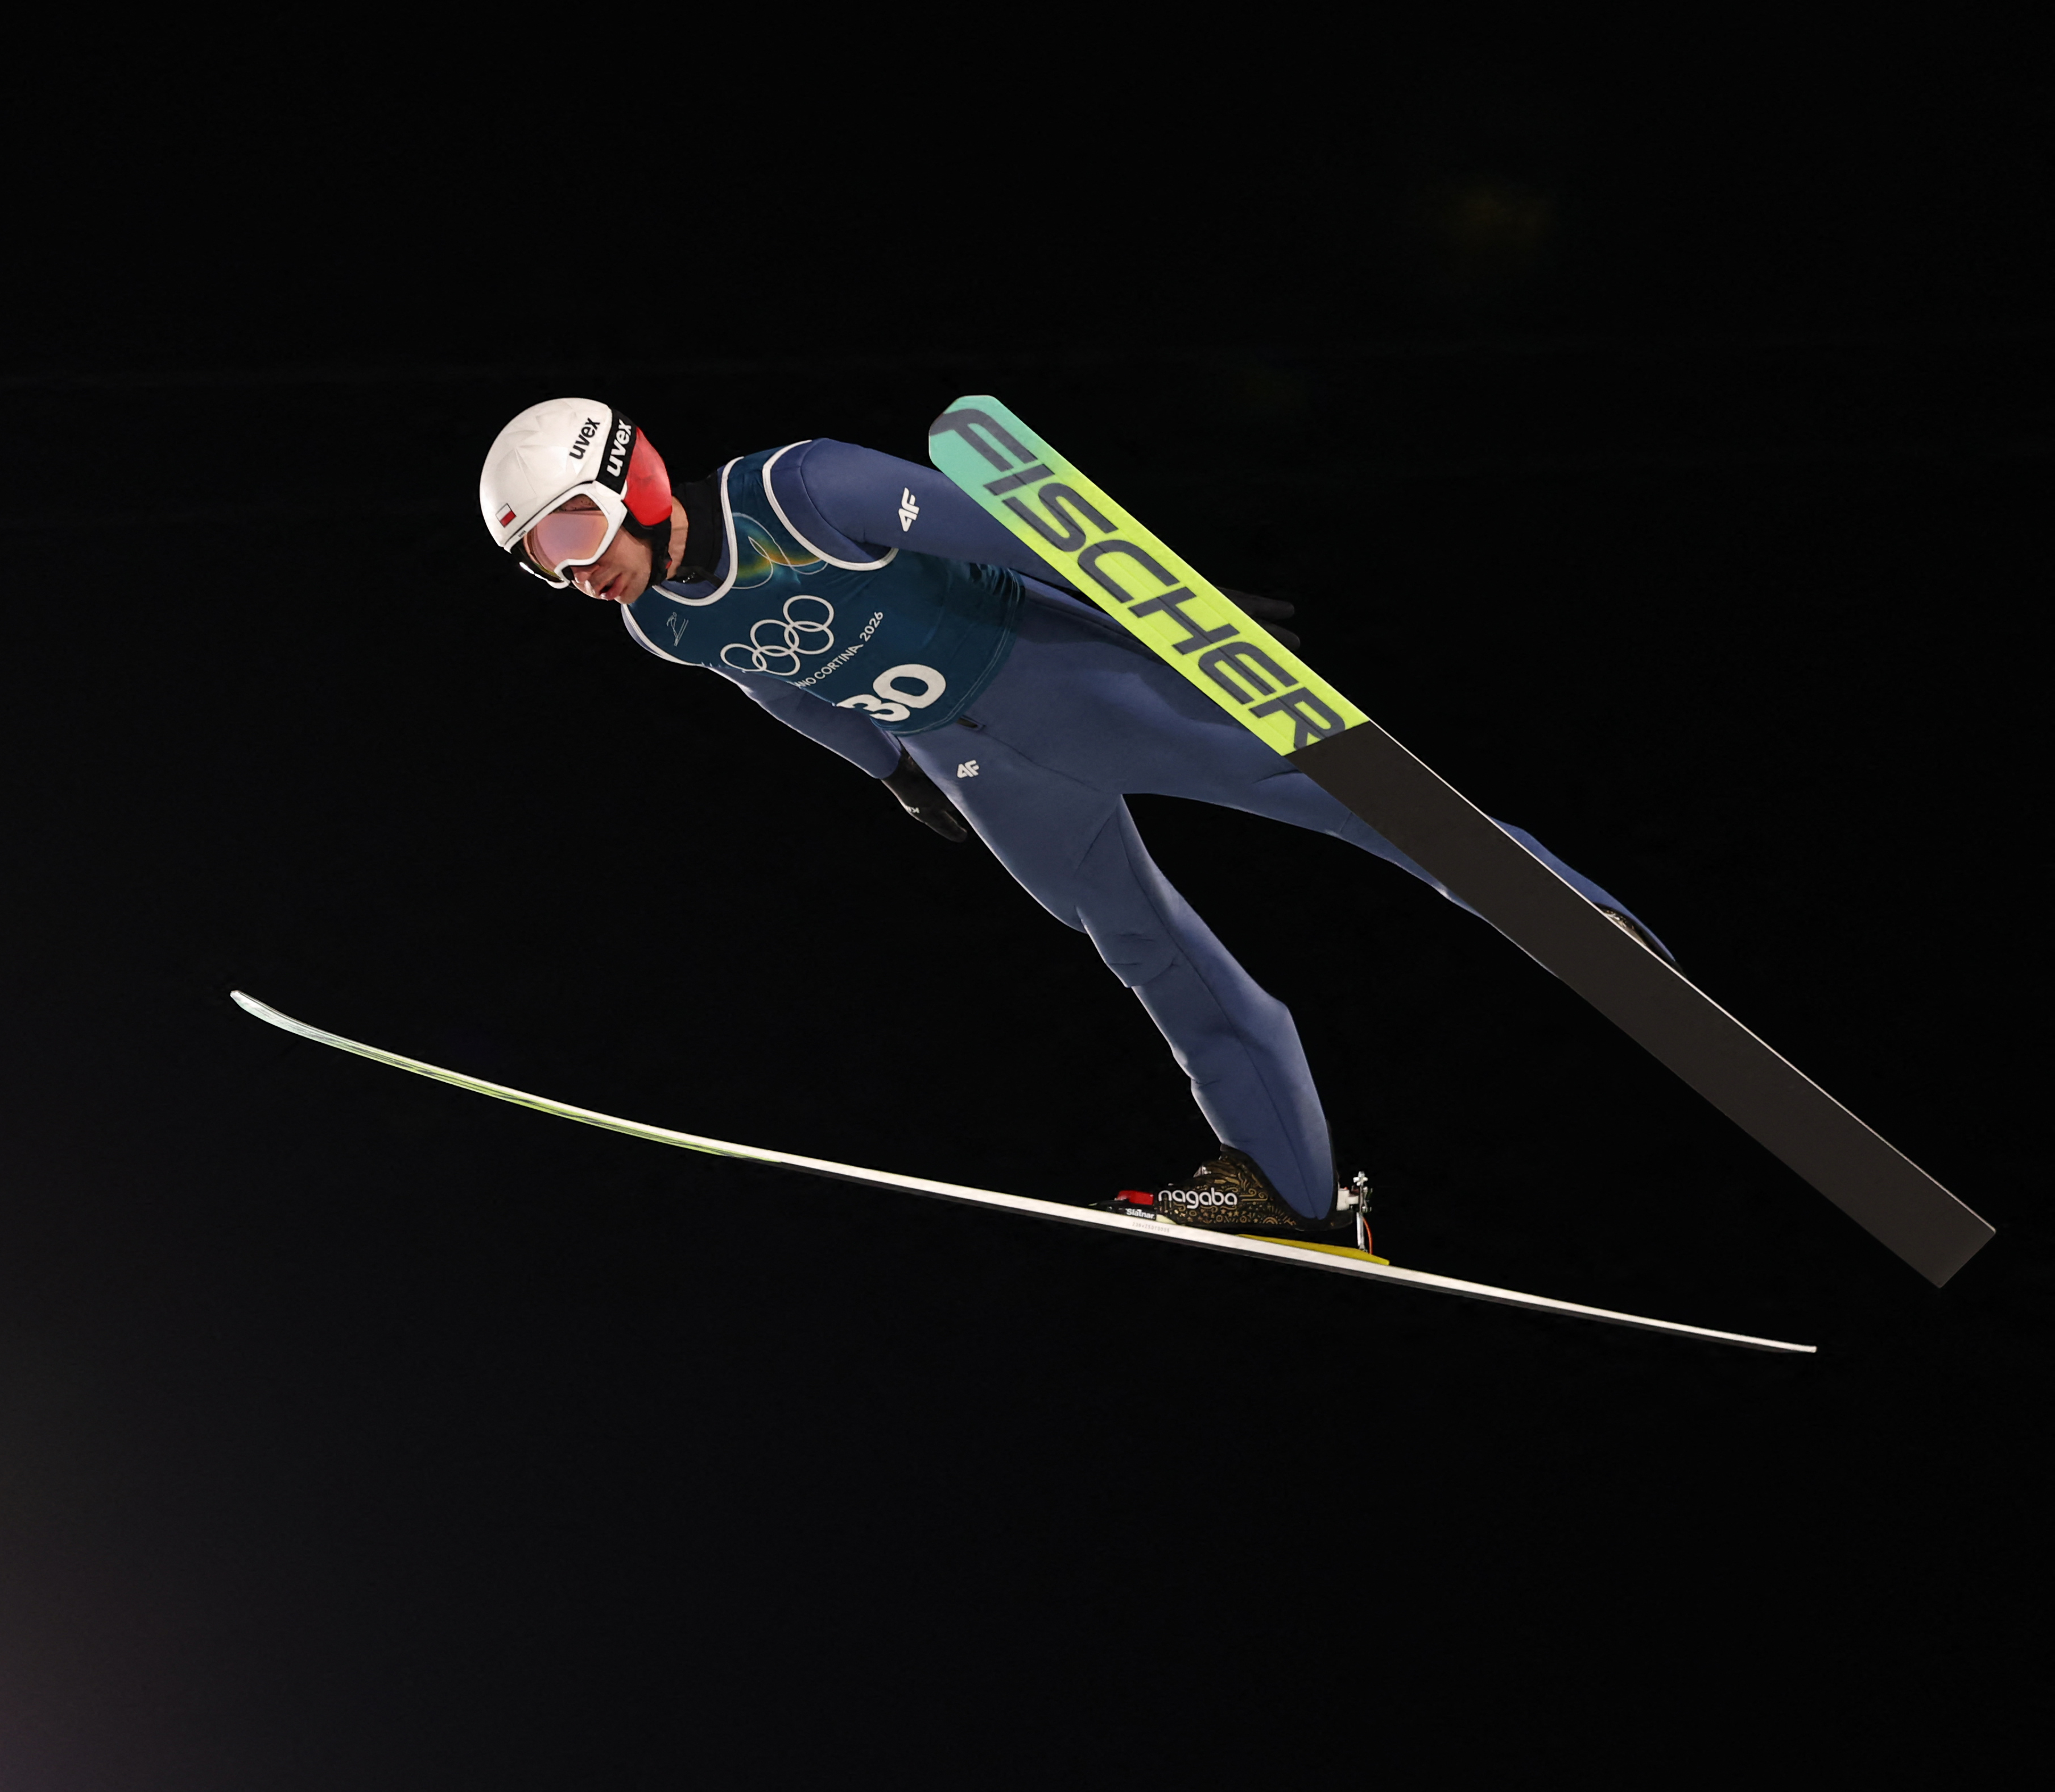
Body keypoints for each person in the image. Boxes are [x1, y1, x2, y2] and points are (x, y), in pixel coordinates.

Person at [476, 398, 1672, 1253]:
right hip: (979, 764)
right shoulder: (659, 625)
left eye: (573, 534)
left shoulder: (803, 491)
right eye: (543, 564)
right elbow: (776, 685)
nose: (575, 575)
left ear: (632, 483)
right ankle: (1290, 1189)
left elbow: (1011, 527)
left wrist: (1171, 606)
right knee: (1139, 944)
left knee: (1342, 792)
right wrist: (890, 772)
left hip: (1062, 676)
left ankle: (1577, 921)